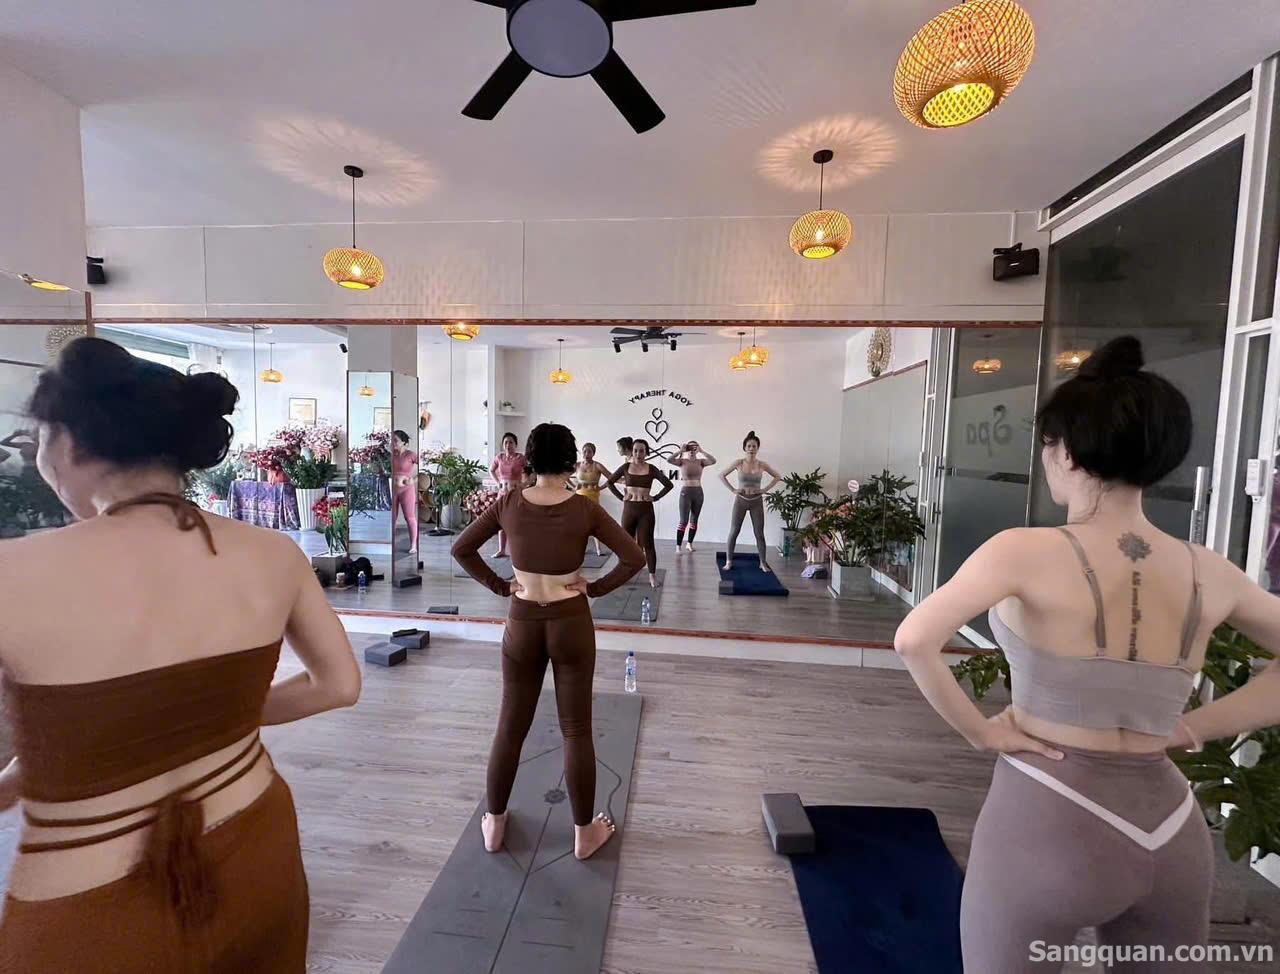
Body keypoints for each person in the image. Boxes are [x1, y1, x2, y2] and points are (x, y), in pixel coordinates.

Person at [893, 336, 1280, 971]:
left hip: (1048, 812)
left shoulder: (1020, 550)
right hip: (1171, 826)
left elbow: (914, 640)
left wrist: (981, 733)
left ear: (1065, 451)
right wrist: (1193, 727)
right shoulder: (1209, 569)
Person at [0, 338, 361, 973]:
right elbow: (338, 685)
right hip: (255, 844)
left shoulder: (12, 574)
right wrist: (215, 719)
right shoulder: (272, 553)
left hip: (89, 907)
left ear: (69, 444)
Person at [452, 424, 646, 861]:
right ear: (571, 461)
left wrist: (501, 586)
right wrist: (594, 588)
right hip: (570, 622)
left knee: (510, 726)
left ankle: (494, 825)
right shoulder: (584, 509)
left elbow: (461, 549)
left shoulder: (509, 503)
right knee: (576, 730)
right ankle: (583, 835)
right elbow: (634, 557)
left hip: (522, 622)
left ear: (530, 460)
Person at [604, 438, 674, 589]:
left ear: (646, 452)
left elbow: (669, 485)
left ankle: (652, 576)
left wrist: (655, 497)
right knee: (626, 544)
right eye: (635, 450)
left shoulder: (651, 469)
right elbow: (609, 482)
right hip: (629, 509)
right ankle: (624, 574)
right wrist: (621, 497)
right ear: (632, 451)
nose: (638, 454)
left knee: (648, 544)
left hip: (645, 511)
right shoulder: (625, 467)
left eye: (641, 451)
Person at [718, 431, 781, 573]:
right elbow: (721, 475)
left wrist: (764, 490)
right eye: (749, 446)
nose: (751, 448)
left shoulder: (762, 464)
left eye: (754, 446)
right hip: (741, 501)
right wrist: (733, 489)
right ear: (745, 448)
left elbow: (777, 476)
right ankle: (729, 561)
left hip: (756, 501)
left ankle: (762, 563)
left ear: (757, 448)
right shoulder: (738, 463)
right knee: (734, 531)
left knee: (759, 533)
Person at [673, 440, 716, 554]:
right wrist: (680, 451)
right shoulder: (682, 461)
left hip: (698, 492)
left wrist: (701, 451)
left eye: (694, 448)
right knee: (683, 521)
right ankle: (678, 546)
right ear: (686, 449)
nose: (692, 450)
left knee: (694, 520)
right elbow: (669, 460)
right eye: (689, 448)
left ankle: (689, 544)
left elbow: (713, 461)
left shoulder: (701, 462)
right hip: (686, 492)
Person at [490, 432, 528, 558]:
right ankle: (501, 550)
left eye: (511, 442)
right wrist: (497, 483)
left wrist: (524, 484)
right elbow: (491, 470)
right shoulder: (499, 457)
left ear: (515, 444)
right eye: (505, 442)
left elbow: (533, 472)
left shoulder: (521, 458)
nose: (508, 445)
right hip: (502, 493)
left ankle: (519, 550)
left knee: (516, 522)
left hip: (515, 493)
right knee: (501, 522)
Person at [573, 442, 612, 556]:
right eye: (584, 451)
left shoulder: (597, 465)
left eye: (589, 451)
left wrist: (601, 487)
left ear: (593, 453)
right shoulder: (577, 465)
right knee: (580, 524)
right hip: (579, 497)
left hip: (593, 497)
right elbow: (563, 475)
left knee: (594, 523)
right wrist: (573, 486)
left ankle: (598, 548)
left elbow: (611, 477)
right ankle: (580, 547)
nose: (586, 453)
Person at [391, 429, 419, 553]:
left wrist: (413, 480)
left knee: (410, 517)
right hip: (393, 489)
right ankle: (391, 543)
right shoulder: (391, 455)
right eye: (392, 440)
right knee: (392, 518)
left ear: (403, 442)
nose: (393, 443)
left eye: (395, 440)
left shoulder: (411, 455)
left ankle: (413, 545)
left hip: (407, 490)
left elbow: (424, 469)